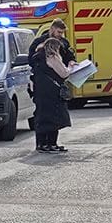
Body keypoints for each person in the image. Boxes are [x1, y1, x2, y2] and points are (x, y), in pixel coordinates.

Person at [27, 20, 80, 154]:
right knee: (48, 115)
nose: (61, 35)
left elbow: (69, 55)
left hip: (45, 86)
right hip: (49, 85)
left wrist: (71, 60)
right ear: (52, 29)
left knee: (48, 116)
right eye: (59, 32)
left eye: (62, 32)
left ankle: (48, 143)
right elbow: (31, 61)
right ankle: (45, 143)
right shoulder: (42, 44)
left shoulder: (62, 43)